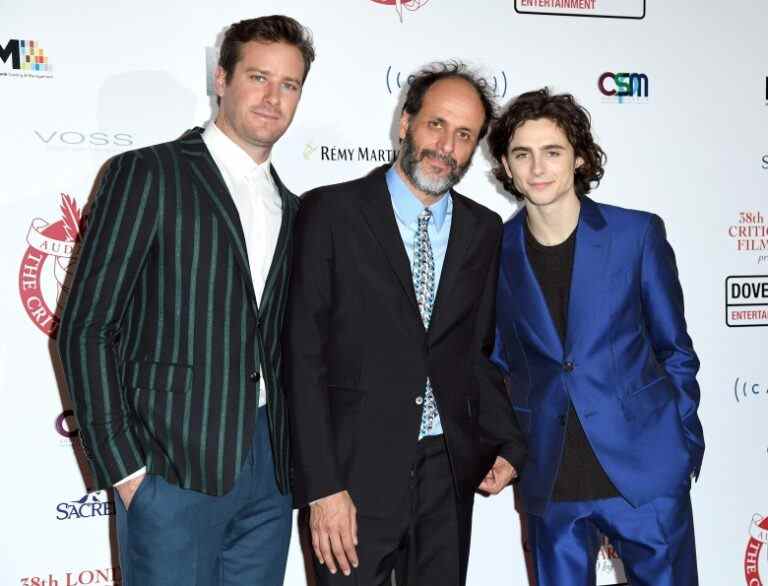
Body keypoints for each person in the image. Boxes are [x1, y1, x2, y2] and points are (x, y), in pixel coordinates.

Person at [57, 15, 314, 586]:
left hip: (270, 474)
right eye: (258, 77)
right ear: (221, 78)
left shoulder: (297, 210)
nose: (273, 98)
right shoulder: (147, 174)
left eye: (289, 84)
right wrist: (124, 468)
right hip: (170, 468)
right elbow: (85, 327)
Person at [284, 62, 527, 586]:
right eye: (436, 124)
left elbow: (476, 353)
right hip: (352, 478)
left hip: (446, 473)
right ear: (405, 123)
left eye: (464, 135)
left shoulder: (483, 230)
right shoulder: (330, 212)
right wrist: (323, 488)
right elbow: (301, 357)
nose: (446, 145)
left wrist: (506, 441)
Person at [487, 88, 704, 585]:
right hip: (550, 475)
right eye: (523, 154)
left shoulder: (636, 235)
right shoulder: (494, 251)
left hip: (645, 473)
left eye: (553, 151)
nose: (538, 167)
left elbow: (674, 349)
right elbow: (498, 361)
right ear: (506, 164)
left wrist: (681, 444)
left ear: (579, 157)